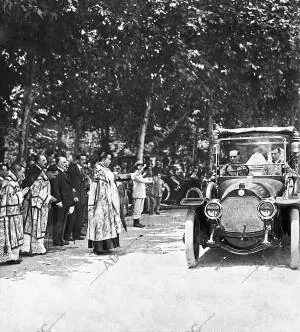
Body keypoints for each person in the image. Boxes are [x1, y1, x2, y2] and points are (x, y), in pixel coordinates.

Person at [88, 151, 130, 254]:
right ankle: (98, 248)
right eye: (109, 159)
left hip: (107, 201)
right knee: (100, 223)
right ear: (103, 159)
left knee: (106, 224)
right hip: (100, 202)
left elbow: (113, 178)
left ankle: (106, 246)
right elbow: (99, 188)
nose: (110, 161)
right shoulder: (99, 170)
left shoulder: (105, 169)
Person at [21, 165, 58, 255]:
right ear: (49, 172)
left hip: (40, 208)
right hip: (34, 208)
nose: (55, 177)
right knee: (33, 228)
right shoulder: (39, 180)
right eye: (54, 175)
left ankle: (37, 248)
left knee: (38, 228)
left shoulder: (46, 180)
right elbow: (34, 195)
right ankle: (30, 249)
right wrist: (49, 198)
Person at [0, 162, 29, 264]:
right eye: (22, 173)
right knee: (11, 235)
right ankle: (10, 257)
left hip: (15, 214)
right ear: (16, 172)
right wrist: (22, 193)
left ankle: (14, 256)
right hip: (9, 215)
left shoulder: (14, 181)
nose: (23, 176)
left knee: (15, 235)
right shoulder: (9, 183)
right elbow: (10, 201)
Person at [50, 156, 78, 246]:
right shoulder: (57, 173)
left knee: (62, 221)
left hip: (66, 201)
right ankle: (56, 240)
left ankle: (60, 239)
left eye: (66, 162)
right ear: (58, 164)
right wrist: (58, 201)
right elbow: (55, 188)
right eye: (64, 162)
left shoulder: (65, 173)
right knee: (58, 221)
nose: (67, 164)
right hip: (60, 202)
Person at [65, 154, 89, 241]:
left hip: (82, 195)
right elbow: (70, 183)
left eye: (85, 160)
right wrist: (73, 195)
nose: (84, 161)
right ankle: (69, 234)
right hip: (75, 196)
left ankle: (77, 234)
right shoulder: (72, 169)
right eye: (82, 160)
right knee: (73, 216)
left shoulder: (83, 170)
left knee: (80, 216)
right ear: (78, 160)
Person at [131, 161, 153, 228]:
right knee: (137, 208)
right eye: (139, 165)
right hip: (137, 193)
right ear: (136, 166)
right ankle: (135, 222)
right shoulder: (135, 174)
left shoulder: (139, 174)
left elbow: (142, 178)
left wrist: (148, 179)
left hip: (141, 193)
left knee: (140, 208)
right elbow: (141, 180)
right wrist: (149, 180)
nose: (140, 167)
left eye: (141, 165)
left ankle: (137, 221)